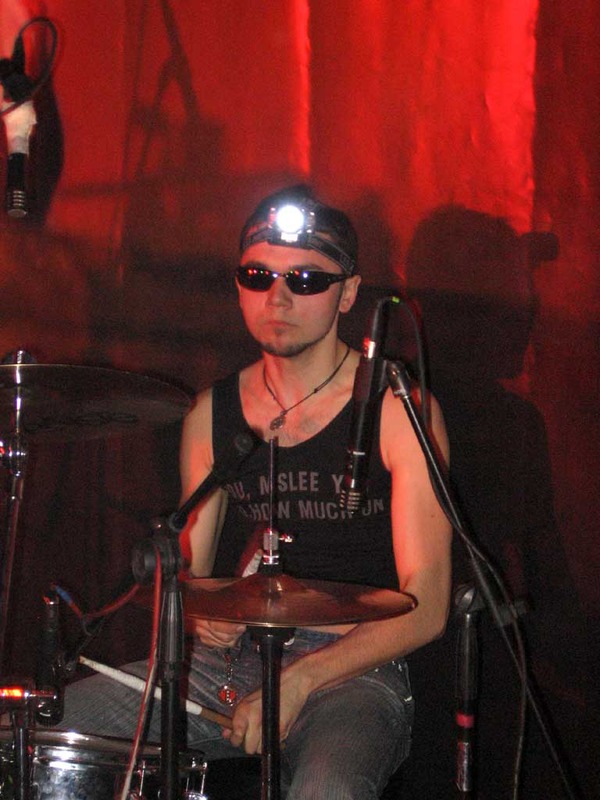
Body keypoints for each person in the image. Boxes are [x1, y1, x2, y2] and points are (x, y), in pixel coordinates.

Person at [57, 185, 452, 799]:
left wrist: (300, 680)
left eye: (306, 279)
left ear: (349, 293)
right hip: (225, 669)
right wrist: (203, 615)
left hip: (353, 669)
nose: (279, 297)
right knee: (46, 731)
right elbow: (186, 576)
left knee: (327, 788)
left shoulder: (399, 409)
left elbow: (428, 605)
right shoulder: (210, 414)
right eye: (258, 275)